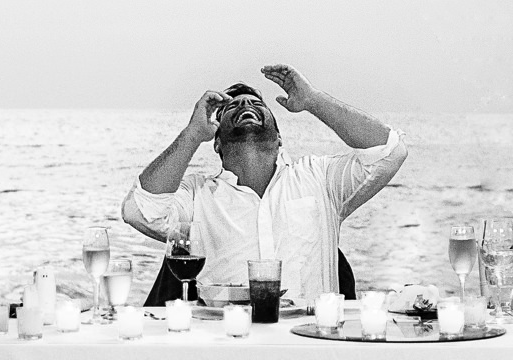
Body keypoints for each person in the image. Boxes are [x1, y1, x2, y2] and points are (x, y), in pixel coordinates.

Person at [122, 64, 407, 306]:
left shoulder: (319, 178)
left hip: (309, 341)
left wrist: (313, 100)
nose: (246, 104)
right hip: (227, 345)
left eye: (257, 104)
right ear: (217, 142)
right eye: (232, 106)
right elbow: (141, 210)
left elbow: (389, 151)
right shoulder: (197, 196)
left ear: (280, 138)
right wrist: (193, 134)